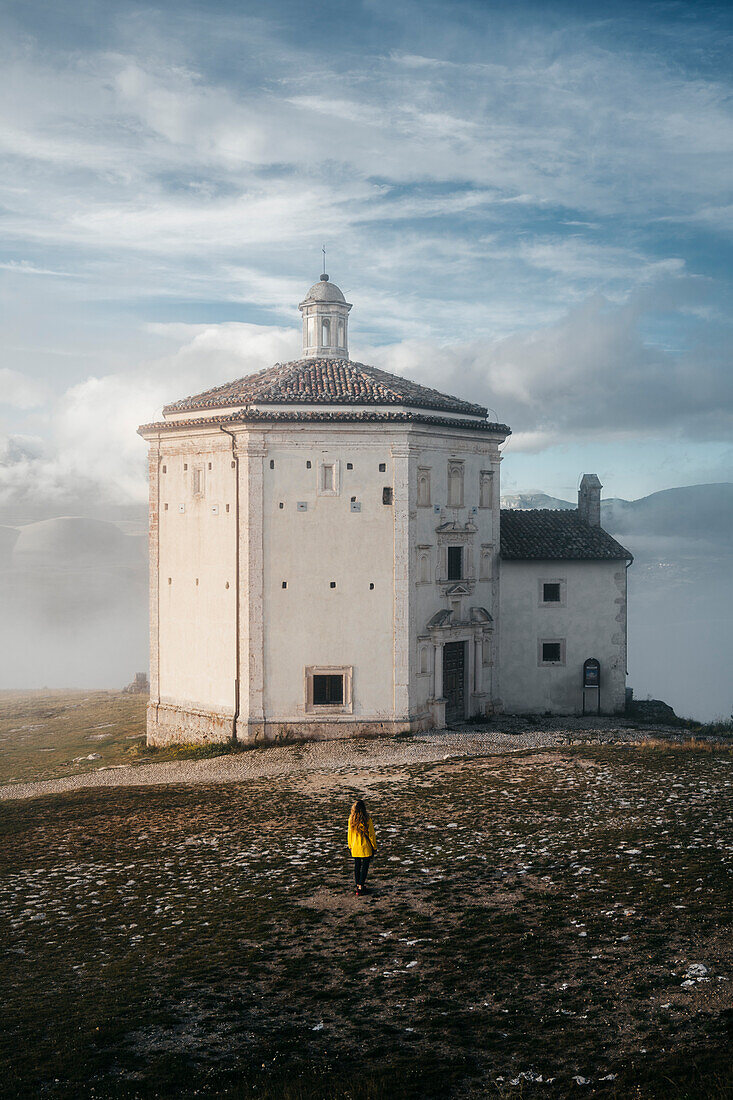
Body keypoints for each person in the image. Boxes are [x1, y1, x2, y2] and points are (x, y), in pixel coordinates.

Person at [348, 800, 377, 897]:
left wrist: (350, 846)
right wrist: (374, 846)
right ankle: (361, 886)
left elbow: (349, 834)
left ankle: (358, 886)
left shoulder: (351, 819)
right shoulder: (367, 819)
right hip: (366, 847)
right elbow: (371, 834)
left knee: (357, 866)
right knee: (364, 867)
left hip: (355, 847)